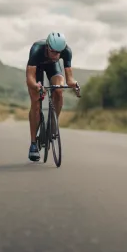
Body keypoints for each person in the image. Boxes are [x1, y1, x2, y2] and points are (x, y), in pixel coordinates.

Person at [25, 32, 81, 161]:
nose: (57, 55)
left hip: (53, 68)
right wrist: (36, 86)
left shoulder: (66, 51)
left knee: (59, 90)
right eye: (54, 52)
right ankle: (33, 143)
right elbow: (30, 78)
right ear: (47, 47)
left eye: (59, 52)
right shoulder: (37, 48)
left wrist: (75, 85)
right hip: (36, 70)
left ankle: (54, 122)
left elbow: (70, 79)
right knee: (36, 103)